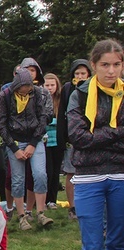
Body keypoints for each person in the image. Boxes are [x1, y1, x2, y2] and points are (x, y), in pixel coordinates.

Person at [67, 39, 124, 249]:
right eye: (105, 65)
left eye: (116, 65)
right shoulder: (79, 95)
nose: (111, 71)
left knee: (118, 242)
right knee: (92, 243)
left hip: (121, 173)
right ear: (94, 65)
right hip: (88, 175)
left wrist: (96, 137)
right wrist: (117, 132)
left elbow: (88, 138)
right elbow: (78, 137)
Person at [0, 68, 53, 231]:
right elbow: (1, 124)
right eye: (22, 89)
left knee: (40, 174)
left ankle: (40, 213)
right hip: (14, 142)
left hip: (35, 140)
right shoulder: (5, 96)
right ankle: (21, 216)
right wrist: (14, 148)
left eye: (27, 89)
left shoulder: (37, 93)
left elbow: (43, 118)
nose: (25, 92)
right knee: (18, 179)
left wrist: (33, 143)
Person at [57, 59, 92, 220]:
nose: (80, 76)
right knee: (71, 172)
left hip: (91, 136)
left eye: (83, 73)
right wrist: (63, 137)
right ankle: (72, 207)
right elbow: (62, 113)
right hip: (72, 137)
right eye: (77, 73)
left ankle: (89, 205)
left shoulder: (94, 88)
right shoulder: (67, 89)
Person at [43, 73, 63, 210]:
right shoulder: (41, 100)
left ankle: (52, 199)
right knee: (47, 171)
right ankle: (44, 199)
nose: (50, 88)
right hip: (45, 141)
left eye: (52, 85)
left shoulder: (61, 101)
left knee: (56, 172)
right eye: (47, 85)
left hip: (58, 140)